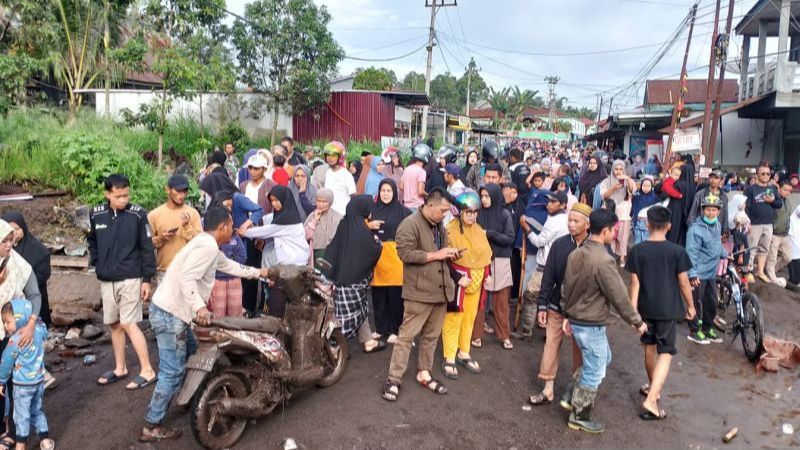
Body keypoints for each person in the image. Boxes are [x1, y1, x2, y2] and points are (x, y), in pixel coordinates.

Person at [140, 207, 269, 442]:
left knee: (193, 355)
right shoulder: (207, 246)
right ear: (222, 227)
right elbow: (186, 277)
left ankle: (192, 399)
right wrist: (200, 307)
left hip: (172, 312)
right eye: (230, 225)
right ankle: (152, 425)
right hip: (171, 314)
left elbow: (231, 266)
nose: (232, 228)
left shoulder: (207, 244)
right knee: (172, 372)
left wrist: (261, 272)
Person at [561, 208, 647, 433]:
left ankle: (571, 393)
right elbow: (619, 295)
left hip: (579, 319)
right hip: (590, 323)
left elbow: (565, 287)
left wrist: (567, 313)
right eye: (614, 230)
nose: (615, 233)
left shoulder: (577, 252)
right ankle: (579, 415)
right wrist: (637, 321)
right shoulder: (603, 260)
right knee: (595, 370)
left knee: (602, 358)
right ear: (606, 230)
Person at [382, 188, 461, 401]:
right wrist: (437, 254)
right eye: (443, 210)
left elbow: (442, 253)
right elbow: (404, 253)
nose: (445, 214)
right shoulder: (409, 224)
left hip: (440, 290)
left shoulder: (439, 225)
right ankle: (394, 379)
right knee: (406, 337)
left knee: (431, 336)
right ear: (430, 205)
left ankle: (424, 372)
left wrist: (450, 254)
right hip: (418, 292)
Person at [625, 205, 695, 421]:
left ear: (647, 225)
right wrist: (691, 305)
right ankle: (653, 396)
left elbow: (634, 282)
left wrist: (632, 312)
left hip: (645, 308)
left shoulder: (637, 250)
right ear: (669, 226)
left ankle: (652, 388)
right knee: (666, 352)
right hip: (667, 309)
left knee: (649, 348)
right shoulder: (677, 251)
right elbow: (683, 281)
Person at [88, 174, 157, 390]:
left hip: (130, 277)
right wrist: (98, 263)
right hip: (107, 278)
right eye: (118, 196)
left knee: (128, 323)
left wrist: (147, 280)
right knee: (114, 324)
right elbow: (92, 241)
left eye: (126, 195)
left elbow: (147, 248)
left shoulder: (137, 215)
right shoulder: (96, 215)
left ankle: (147, 370)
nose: (123, 200)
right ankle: (120, 368)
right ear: (107, 194)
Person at [527, 203, 589, 407]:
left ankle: (576, 390)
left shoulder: (594, 248)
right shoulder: (560, 244)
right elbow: (549, 277)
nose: (570, 224)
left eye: (575, 221)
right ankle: (548, 389)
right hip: (556, 305)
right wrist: (542, 305)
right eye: (569, 220)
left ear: (587, 224)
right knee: (551, 345)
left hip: (581, 311)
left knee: (579, 350)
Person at [0, 220, 48, 448]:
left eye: (11, 240)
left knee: (9, 381)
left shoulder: (18, 265)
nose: (10, 245)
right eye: (5, 241)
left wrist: (30, 324)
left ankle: (13, 431)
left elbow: (35, 296)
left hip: (10, 329)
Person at [440, 188, 491, 380]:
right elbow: (445, 258)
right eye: (468, 212)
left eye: (474, 212)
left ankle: (464, 351)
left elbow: (486, 255)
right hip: (459, 282)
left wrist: (488, 274)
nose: (472, 216)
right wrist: (457, 277)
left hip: (476, 283)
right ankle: (449, 356)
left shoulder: (479, 230)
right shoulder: (450, 230)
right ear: (460, 212)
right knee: (453, 319)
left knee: (469, 319)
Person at [324, 195, 384, 352]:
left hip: (341, 279)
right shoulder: (361, 230)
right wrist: (377, 241)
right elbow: (373, 251)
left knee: (361, 311)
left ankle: (368, 341)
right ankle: (333, 349)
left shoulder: (345, 224)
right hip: (354, 282)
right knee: (347, 319)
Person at [244, 186, 310, 317]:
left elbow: (264, 232)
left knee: (279, 304)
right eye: (272, 201)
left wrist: (243, 231)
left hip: (291, 269)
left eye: (276, 201)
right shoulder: (286, 218)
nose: (274, 204)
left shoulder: (286, 223)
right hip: (288, 268)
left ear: (285, 201)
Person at [0, 299, 53, 450]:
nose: (5, 326)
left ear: (18, 319)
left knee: (20, 415)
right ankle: (45, 440)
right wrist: (33, 319)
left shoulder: (15, 341)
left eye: (7, 322)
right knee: (36, 410)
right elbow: (43, 326)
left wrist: (1, 382)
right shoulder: (38, 331)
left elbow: (5, 364)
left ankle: (21, 445)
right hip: (38, 381)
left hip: (22, 385)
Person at [516, 191, 569, 339]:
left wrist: (526, 227)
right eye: (549, 201)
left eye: (553, 202)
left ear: (563, 205)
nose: (549, 205)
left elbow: (539, 241)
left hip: (546, 266)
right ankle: (549, 332)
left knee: (531, 295)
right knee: (552, 301)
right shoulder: (564, 219)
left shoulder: (555, 221)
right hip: (560, 266)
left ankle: (526, 332)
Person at [370, 180, 412, 344]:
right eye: (383, 190)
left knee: (395, 297)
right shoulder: (371, 211)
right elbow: (360, 226)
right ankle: (381, 328)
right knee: (378, 295)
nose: (386, 193)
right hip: (377, 259)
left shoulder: (403, 212)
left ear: (395, 192)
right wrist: (369, 225)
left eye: (389, 190)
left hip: (396, 260)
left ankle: (395, 329)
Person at [473, 183, 515, 350]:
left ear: (495, 196)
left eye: (487, 196)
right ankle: (476, 335)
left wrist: (488, 233)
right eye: (482, 196)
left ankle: (504, 335)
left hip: (500, 260)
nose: (484, 200)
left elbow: (509, 238)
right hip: (480, 260)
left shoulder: (504, 214)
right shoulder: (477, 214)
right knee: (479, 299)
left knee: (501, 301)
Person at [685, 193, 727, 345]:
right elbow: (691, 253)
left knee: (712, 302)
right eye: (707, 210)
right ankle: (694, 331)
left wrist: (725, 254)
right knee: (695, 303)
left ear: (718, 211)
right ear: (702, 210)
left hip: (711, 272)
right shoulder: (695, 230)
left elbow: (716, 245)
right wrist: (693, 273)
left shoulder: (717, 225)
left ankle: (708, 328)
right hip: (698, 273)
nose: (711, 213)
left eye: (714, 210)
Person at [146, 175, 202, 286]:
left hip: (189, 270)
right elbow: (147, 243)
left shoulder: (193, 213)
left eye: (185, 191)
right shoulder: (154, 215)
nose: (182, 195)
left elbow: (200, 242)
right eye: (178, 191)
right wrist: (161, 238)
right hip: (165, 271)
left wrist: (187, 227)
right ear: (168, 190)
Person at [0, 213, 50, 327]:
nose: (14, 233)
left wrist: (22, 285)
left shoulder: (37, 250)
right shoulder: (9, 249)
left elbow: (43, 273)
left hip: (29, 297)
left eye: (17, 229)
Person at [745, 164, 783, 282]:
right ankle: (747, 271)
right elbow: (745, 207)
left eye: (768, 174)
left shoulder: (773, 189)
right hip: (754, 224)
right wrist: (747, 223)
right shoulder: (750, 189)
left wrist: (772, 201)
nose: (766, 176)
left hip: (768, 224)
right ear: (757, 174)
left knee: (764, 249)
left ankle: (760, 271)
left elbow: (779, 204)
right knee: (751, 249)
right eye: (763, 173)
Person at [600, 160, 636, 266]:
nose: (618, 171)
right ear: (612, 169)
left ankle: (622, 257)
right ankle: (610, 256)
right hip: (610, 213)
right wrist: (613, 188)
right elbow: (604, 196)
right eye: (616, 169)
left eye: (621, 169)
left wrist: (627, 179)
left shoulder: (627, 180)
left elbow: (632, 190)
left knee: (623, 236)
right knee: (610, 235)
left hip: (624, 213)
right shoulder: (606, 181)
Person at [765, 180, 797, 285]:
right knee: (772, 257)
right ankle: (771, 275)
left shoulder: (788, 201)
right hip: (774, 233)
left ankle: (771, 270)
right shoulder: (773, 200)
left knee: (788, 257)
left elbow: (788, 216)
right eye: (785, 189)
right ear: (779, 188)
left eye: (789, 190)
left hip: (785, 234)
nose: (787, 192)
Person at [304, 189, 343, 268]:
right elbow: (305, 235)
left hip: (332, 253)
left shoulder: (337, 217)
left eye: (324, 201)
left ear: (330, 202)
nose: (321, 204)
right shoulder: (312, 216)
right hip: (315, 253)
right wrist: (315, 220)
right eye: (318, 201)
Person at [322, 142, 356, 216]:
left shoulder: (346, 175)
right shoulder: (328, 173)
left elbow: (353, 196)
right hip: (328, 213)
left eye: (333, 155)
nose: (330, 158)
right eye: (328, 155)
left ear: (340, 157)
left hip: (342, 214)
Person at [400, 143, 431, 210]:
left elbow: (401, 187)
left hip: (405, 206)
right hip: (416, 206)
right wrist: (429, 195)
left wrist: (409, 191)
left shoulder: (407, 169)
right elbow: (420, 192)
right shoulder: (422, 172)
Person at [631, 178, 658, 245]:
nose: (646, 188)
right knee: (637, 241)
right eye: (644, 185)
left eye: (648, 186)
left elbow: (656, 209)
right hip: (637, 221)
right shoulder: (637, 195)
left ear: (651, 186)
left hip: (648, 222)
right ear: (641, 186)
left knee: (646, 241)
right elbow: (634, 207)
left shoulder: (654, 196)